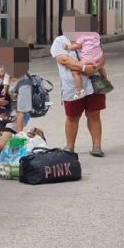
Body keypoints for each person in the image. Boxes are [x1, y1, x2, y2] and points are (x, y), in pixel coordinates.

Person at [51, 10, 105, 156]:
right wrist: (84, 68)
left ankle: (97, 146)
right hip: (72, 87)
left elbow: (101, 56)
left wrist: (94, 67)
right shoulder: (60, 41)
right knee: (72, 116)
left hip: (93, 84)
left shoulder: (89, 37)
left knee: (94, 114)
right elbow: (64, 60)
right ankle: (70, 146)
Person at [62, 18, 111, 88]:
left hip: (87, 59)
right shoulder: (96, 35)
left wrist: (68, 47)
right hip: (98, 57)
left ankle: (79, 90)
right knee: (101, 68)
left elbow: (77, 46)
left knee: (75, 72)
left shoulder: (82, 36)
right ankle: (106, 79)